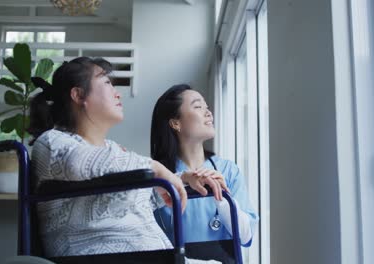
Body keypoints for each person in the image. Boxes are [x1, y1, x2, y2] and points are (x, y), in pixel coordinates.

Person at [28, 57, 220, 264]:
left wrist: (183, 179)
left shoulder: (113, 150)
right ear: (78, 94)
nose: (117, 93)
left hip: (150, 256)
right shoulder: (53, 142)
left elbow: (135, 198)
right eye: (107, 83)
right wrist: (155, 168)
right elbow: (79, 163)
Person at [151, 84, 259, 262]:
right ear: (175, 123)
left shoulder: (228, 171)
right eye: (198, 106)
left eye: (207, 107)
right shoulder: (159, 177)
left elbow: (246, 236)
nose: (208, 112)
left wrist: (222, 198)